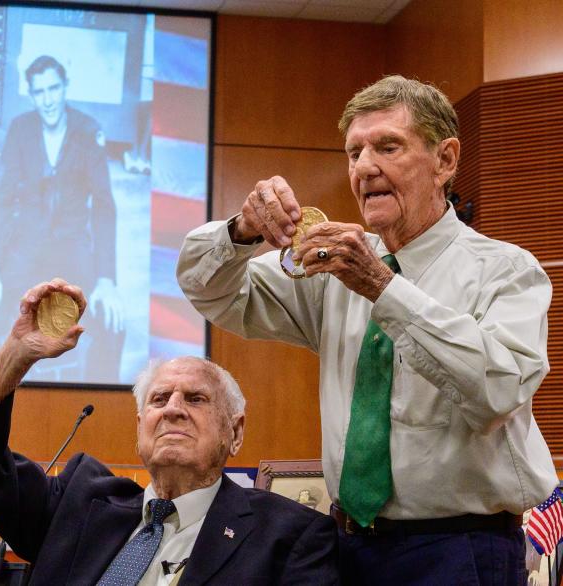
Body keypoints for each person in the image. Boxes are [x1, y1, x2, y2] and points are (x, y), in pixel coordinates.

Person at [177, 75, 556, 584]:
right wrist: (240, 232)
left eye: (387, 146)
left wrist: (383, 288)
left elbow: (498, 389)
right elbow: (211, 290)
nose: (364, 167)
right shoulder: (336, 263)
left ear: (445, 160)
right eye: (353, 152)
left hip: (460, 549)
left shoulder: (507, 270)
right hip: (346, 545)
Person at [0, 278, 339, 585]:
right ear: (140, 427)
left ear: (235, 432)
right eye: (159, 399)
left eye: (196, 399)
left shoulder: (289, 535)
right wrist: (16, 353)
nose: (173, 411)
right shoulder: (78, 505)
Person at [0, 55, 124, 383]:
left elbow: (104, 207)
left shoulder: (87, 130)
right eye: (40, 92)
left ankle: (100, 407)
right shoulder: (20, 129)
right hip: (24, 251)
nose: (49, 99)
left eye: (54, 88)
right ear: (31, 94)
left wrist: (108, 281)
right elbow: (1, 198)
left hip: (73, 256)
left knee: (113, 321)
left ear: (65, 87)